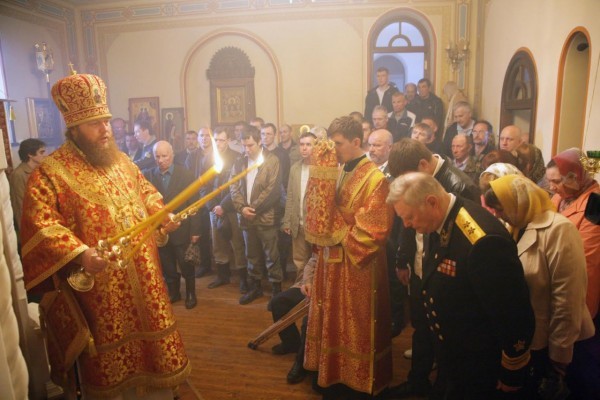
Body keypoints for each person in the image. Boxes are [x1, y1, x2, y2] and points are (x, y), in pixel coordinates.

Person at [21, 71, 189, 398]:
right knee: (110, 372)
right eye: (95, 123)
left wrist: (162, 216)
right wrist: (81, 253)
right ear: (74, 128)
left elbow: (146, 192)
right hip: (100, 291)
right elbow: (43, 226)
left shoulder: (122, 161)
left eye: (107, 121)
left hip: (145, 280)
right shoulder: (49, 174)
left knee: (154, 364)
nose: (106, 130)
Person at [387, 172, 535, 399]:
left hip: (478, 363)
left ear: (432, 202)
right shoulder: (441, 219)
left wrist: (512, 371)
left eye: (410, 217)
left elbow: (513, 314)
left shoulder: (482, 241)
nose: (407, 225)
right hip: (453, 354)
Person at [304, 116, 393, 398]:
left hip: (359, 267)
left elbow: (374, 230)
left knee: (355, 324)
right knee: (331, 318)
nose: (334, 149)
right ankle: (332, 373)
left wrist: (334, 222)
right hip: (332, 262)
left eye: (339, 144)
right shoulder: (339, 170)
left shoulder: (376, 179)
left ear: (356, 142)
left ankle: (357, 381)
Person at [486, 175, 596, 399]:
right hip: (529, 337)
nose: (497, 215)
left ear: (519, 202)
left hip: (551, 341)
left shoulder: (559, 229)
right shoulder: (516, 226)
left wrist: (559, 356)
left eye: (501, 208)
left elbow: (567, 297)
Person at [387, 138, 480, 398]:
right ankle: (417, 381)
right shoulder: (416, 182)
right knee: (421, 327)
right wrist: (402, 260)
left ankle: (442, 387)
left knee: (445, 334)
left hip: (444, 273)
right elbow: (407, 224)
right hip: (420, 267)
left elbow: (463, 243)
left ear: (423, 165)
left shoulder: (460, 185)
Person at [230, 126, 283, 305]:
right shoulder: (239, 162)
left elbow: (272, 190)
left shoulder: (272, 160)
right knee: (251, 254)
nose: (247, 149)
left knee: (271, 255)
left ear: (259, 142)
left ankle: (276, 289)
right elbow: (233, 187)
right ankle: (256, 287)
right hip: (246, 217)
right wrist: (242, 208)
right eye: (244, 146)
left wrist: (252, 209)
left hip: (265, 217)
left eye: (250, 145)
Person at [144, 141, 200, 308]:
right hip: (160, 231)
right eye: (157, 156)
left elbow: (195, 205)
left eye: (164, 156)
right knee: (167, 266)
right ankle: (174, 292)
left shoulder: (186, 175)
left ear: (172, 155)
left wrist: (195, 231)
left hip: (181, 229)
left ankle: (191, 293)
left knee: (186, 265)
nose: (160, 160)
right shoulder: (148, 176)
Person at [205, 127, 248, 291]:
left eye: (222, 140)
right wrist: (212, 206)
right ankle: (222, 276)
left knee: (237, 243)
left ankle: (243, 278)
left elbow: (238, 186)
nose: (218, 143)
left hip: (231, 207)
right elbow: (203, 186)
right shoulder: (207, 158)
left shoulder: (237, 158)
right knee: (218, 243)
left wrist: (223, 205)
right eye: (215, 140)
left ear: (228, 140)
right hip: (214, 208)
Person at [282, 131, 316, 284]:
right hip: (298, 223)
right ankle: (300, 290)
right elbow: (290, 196)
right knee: (299, 261)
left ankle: (314, 291)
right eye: (302, 144)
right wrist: (287, 221)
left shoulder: (322, 169)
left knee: (316, 260)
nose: (304, 148)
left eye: (309, 144)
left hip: (315, 224)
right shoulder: (295, 168)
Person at [9, 138, 46, 232]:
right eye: (41, 152)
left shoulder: (39, 170)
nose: (44, 155)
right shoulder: (19, 174)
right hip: (29, 225)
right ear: (30, 154)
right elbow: (19, 205)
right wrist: (26, 230)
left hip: (41, 219)